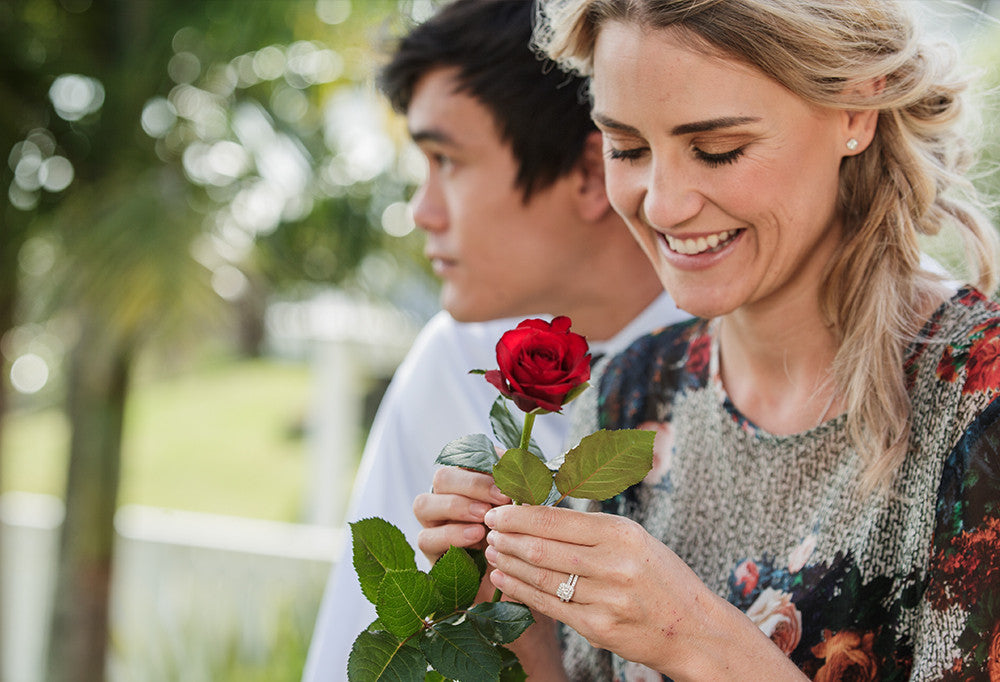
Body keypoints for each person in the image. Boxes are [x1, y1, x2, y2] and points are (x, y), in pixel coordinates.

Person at [415, 0, 1000, 679]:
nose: (661, 204)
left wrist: (692, 635)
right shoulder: (630, 393)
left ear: (855, 112)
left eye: (718, 150)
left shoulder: (975, 404)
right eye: (627, 149)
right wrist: (506, 619)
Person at [301, 1, 689, 678]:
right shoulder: (455, 360)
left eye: (446, 160)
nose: (421, 211)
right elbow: (350, 658)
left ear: (590, 173)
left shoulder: (754, 349)